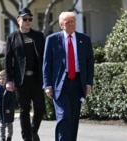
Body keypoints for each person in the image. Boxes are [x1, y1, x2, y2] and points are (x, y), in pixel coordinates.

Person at [42, 11, 94, 141]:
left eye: (73, 21)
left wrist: (89, 83)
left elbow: (89, 63)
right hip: (60, 84)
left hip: (78, 83)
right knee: (64, 116)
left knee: (73, 118)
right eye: (67, 22)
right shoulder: (52, 40)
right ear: (61, 25)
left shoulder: (84, 39)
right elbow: (46, 64)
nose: (71, 24)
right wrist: (47, 85)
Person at [5, 7, 45, 141]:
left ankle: (34, 130)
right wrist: (9, 80)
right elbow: (8, 60)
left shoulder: (38, 36)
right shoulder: (12, 37)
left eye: (30, 19)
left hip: (36, 78)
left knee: (40, 108)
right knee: (24, 110)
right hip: (21, 80)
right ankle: (27, 138)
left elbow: (45, 58)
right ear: (18, 21)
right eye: (25, 19)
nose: (28, 21)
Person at [0, 70, 16, 141]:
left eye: (3, 79)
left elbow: (13, 100)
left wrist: (10, 108)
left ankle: (9, 136)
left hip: (9, 112)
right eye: (0, 79)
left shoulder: (10, 89)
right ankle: (2, 138)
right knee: (2, 126)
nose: (1, 80)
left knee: (9, 125)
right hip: (1, 112)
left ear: (7, 79)